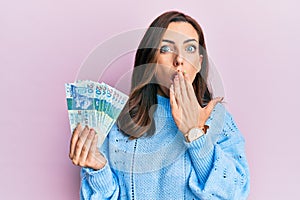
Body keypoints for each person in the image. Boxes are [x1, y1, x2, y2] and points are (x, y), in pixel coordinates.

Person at [69, 11, 250, 199]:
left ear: (199, 62)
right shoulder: (119, 121)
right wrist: (98, 171)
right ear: (150, 60)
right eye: (166, 49)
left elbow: (235, 194)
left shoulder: (218, 118)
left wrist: (195, 134)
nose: (179, 59)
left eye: (190, 49)